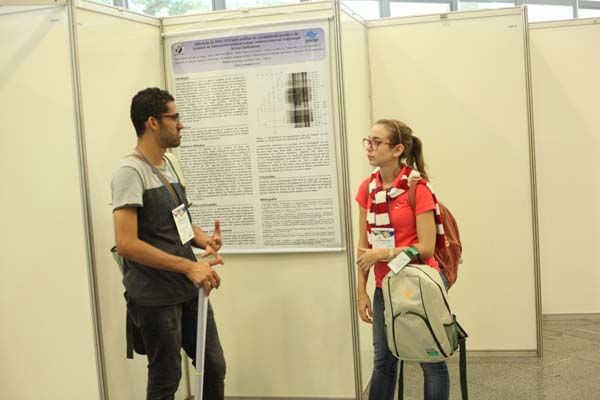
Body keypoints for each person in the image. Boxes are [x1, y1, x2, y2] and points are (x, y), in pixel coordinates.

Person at [111, 87, 226, 400]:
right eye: (174, 117)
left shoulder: (171, 163)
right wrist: (189, 266)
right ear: (152, 122)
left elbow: (178, 220)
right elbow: (126, 243)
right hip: (154, 295)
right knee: (167, 377)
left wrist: (202, 239)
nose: (180, 124)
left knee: (213, 366)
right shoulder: (129, 172)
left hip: (186, 288)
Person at [355, 119, 449, 400]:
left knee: (430, 359)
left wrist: (384, 253)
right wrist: (361, 292)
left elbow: (427, 248)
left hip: (416, 286)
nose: (369, 148)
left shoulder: (417, 188)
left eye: (377, 142)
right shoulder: (367, 189)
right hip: (384, 287)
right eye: (368, 141)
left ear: (397, 150)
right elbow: (363, 248)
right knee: (383, 362)